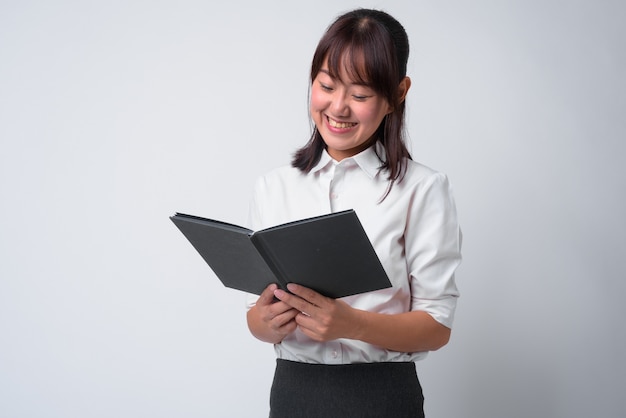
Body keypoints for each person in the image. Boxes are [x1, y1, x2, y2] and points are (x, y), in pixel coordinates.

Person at [245, 8, 461, 418]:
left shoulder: (423, 189)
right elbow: (255, 318)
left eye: (360, 95)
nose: (338, 107)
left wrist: (350, 324)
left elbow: (437, 326)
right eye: (326, 85)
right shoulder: (274, 187)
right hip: (293, 394)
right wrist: (265, 321)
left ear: (398, 94)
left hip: (382, 398)